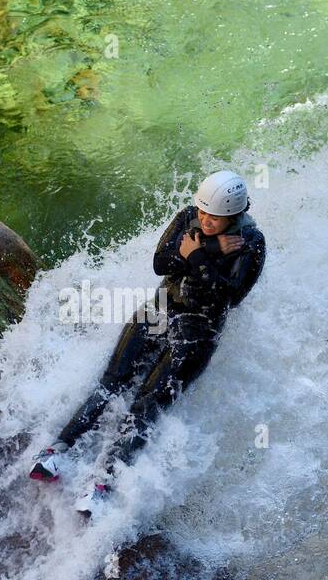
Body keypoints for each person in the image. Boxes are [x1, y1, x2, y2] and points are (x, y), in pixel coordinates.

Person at [31, 169, 266, 514]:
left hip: (198, 330)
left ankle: (102, 485)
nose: (203, 220)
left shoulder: (252, 242)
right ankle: (57, 450)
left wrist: (198, 255)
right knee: (112, 382)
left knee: (147, 404)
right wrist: (212, 246)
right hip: (159, 309)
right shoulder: (188, 216)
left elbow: (228, 298)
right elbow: (161, 263)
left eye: (213, 218)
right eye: (202, 212)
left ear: (233, 214)